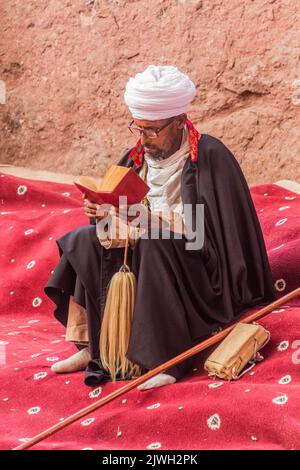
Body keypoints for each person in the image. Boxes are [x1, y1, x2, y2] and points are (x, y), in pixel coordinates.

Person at [44, 65, 277, 390]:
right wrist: (102, 213)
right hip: (141, 246)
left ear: (179, 122)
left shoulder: (209, 155)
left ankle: (166, 359)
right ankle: (91, 347)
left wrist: (141, 217)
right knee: (83, 239)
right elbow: (120, 217)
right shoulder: (135, 157)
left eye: (152, 130)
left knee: (155, 243)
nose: (144, 138)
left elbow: (201, 234)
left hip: (196, 265)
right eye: (138, 128)